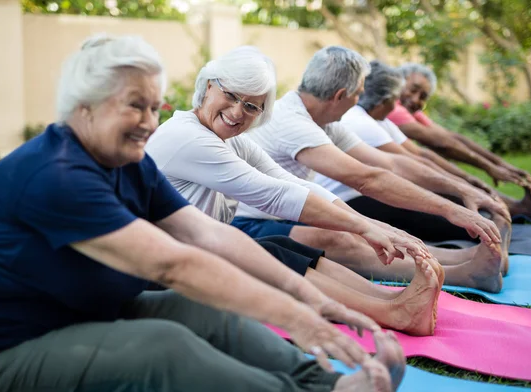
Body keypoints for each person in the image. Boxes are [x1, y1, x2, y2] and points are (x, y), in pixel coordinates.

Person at [0, 35, 406, 392]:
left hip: (85, 314)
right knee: (161, 349)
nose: (150, 122)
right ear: (82, 107)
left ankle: (327, 387)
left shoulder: (129, 162)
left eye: (154, 107)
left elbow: (205, 232)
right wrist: (297, 317)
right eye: (135, 105)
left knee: (203, 309)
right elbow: (172, 263)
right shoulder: (53, 174)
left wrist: (308, 298)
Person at [146, 46, 443, 336]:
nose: (238, 112)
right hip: (157, 277)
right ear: (209, 86)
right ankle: (394, 314)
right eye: (231, 95)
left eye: (251, 106)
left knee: (280, 245)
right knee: (268, 254)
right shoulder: (187, 137)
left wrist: (375, 226)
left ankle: (391, 299)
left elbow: (288, 180)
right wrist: (365, 228)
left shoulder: (227, 139)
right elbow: (273, 194)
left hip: (188, 261)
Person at [237, 46, 506, 293]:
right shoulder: (291, 122)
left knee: (358, 228)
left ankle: (466, 259)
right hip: (245, 223)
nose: (359, 100)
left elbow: (392, 163)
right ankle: (462, 274)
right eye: (358, 93)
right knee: (343, 237)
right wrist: (452, 209)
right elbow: (367, 179)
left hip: (284, 214)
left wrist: (462, 189)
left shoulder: (321, 119)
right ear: (340, 95)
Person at [318, 60, 512, 274]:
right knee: (435, 210)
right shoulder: (359, 121)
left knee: (441, 200)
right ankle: (474, 257)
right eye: (397, 98)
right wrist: (461, 191)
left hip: (358, 193)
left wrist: (467, 187)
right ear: (387, 99)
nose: (399, 105)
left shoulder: (375, 120)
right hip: (349, 200)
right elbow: (395, 167)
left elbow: (416, 157)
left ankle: (478, 247)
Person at [389, 63, 531, 220]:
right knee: (430, 168)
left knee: (434, 165)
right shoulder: (393, 108)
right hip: (390, 179)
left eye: (423, 97)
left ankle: (512, 206)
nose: (415, 99)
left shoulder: (407, 110)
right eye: (413, 89)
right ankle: (514, 208)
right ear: (399, 82)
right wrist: (489, 167)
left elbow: (451, 137)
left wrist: (499, 164)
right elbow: (440, 144)